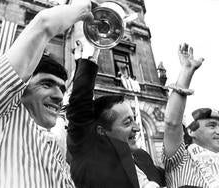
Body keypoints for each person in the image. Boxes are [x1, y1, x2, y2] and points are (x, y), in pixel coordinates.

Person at [0, 1, 93, 187]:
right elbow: (44, 24)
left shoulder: (56, 154)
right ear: (19, 86)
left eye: (62, 88)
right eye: (47, 84)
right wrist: (81, 7)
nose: (58, 96)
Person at [66, 23, 165, 188]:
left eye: (133, 120)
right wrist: (89, 59)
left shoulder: (143, 157)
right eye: (127, 122)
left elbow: (177, 168)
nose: (137, 128)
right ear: (101, 131)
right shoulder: (91, 162)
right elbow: (79, 112)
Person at [162, 43, 219, 188]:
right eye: (212, 125)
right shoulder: (181, 158)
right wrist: (187, 71)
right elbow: (172, 124)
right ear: (191, 131)